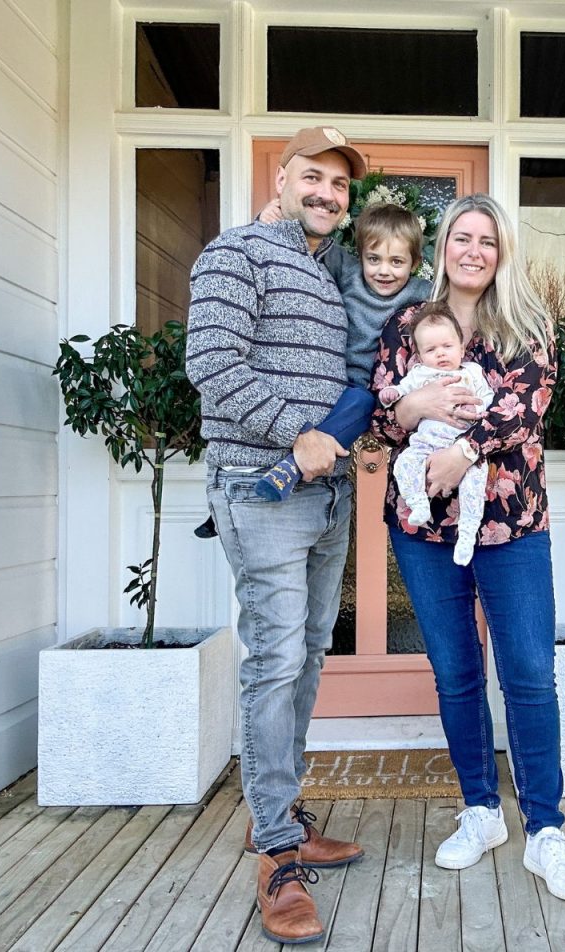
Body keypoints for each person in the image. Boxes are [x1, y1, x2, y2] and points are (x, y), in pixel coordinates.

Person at [370, 193, 565, 902]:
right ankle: (480, 811)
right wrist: (415, 407)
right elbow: (381, 409)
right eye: (461, 237)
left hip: (513, 523)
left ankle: (547, 829)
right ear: (443, 248)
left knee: (529, 673)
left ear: (502, 252)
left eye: (487, 240)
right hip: (422, 529)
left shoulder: (526, 323)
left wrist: (461, 451)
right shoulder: (407, 322)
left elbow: (525, 407)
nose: (473, 250)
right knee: (456, 671)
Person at [186, 126, 369, 945]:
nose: (327, 192)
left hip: (328, 496)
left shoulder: (326, 273)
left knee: (309, 656)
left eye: (339, 184)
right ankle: (275, 856)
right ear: (282, 177)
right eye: (313, 177)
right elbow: (213, 365)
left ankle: (282, 814)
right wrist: (297, 432)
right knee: (274, 661)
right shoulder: (236, 254)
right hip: (261, 490)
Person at [253, 201, 432, 501]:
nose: (383, 271)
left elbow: (456, 298)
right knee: (293, 423)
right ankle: (237, 493)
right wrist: (272, 217)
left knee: (358, 406)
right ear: (360, 256)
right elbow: (310, 241)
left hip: (365, 391)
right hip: (326, 379)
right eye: (373, 259)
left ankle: (290, 470)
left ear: (414, 264)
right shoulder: (349, 273)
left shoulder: (421, 291)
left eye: (396, 262)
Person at [377, 302, 494, 565]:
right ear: (419, 356)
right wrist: (391, 395)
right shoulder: (420, 374)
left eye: (447, 347)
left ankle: (467, 533)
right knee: (404, 464)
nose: (440, 354)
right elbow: (399, 392)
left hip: (463, 445)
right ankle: (418, 502)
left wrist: (479, 408)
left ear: (462, 348)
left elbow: (489, 400)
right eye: (431, 349)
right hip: (426, 444)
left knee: (474, 484)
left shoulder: (472, 372)